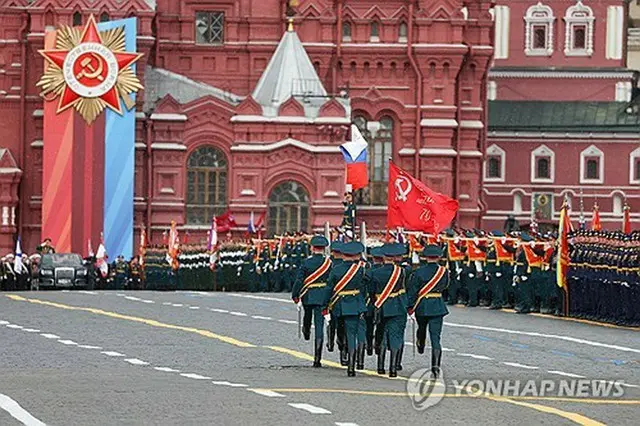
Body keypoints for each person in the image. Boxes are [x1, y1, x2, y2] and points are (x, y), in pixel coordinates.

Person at [324, 241, 368, 377]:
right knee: (352, 335)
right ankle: (351, 366)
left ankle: (343, 352)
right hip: (354, 304)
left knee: (340, 331)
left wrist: (325, 305)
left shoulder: (336, 269)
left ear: (342, 254)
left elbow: (329, 288)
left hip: (339, 305)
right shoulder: (360, 270)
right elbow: (363, 287)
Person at [407, 245, 450, 378]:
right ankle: (435, 367)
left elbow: (413, 290)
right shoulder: (444, 272)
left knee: (422, 327)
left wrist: (410, 306)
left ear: (424, 257)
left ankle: (420, 341)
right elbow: (446, 286)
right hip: (437, 304)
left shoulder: (418, 272)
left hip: (423, 305)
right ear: (438, 257)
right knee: (436, 338)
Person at [292, 235, 332, 367]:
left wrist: (295, 294)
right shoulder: (329, 263)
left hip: (308, 295)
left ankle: (306, 329)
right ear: (324, 248)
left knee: (307, 314)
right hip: (322, 296)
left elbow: (299, 280)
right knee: (319, 327)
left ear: (312, 248)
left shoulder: (306, 262)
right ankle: (317, 359)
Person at [370, 243, 409, 378]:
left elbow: (371, 291)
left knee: (381, 336)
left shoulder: (374, 272)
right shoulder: (402, 271)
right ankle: (393, 369)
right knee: (395, 337)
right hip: (397, 306)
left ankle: (380, 367)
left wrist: (375, 303)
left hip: (381, 306)